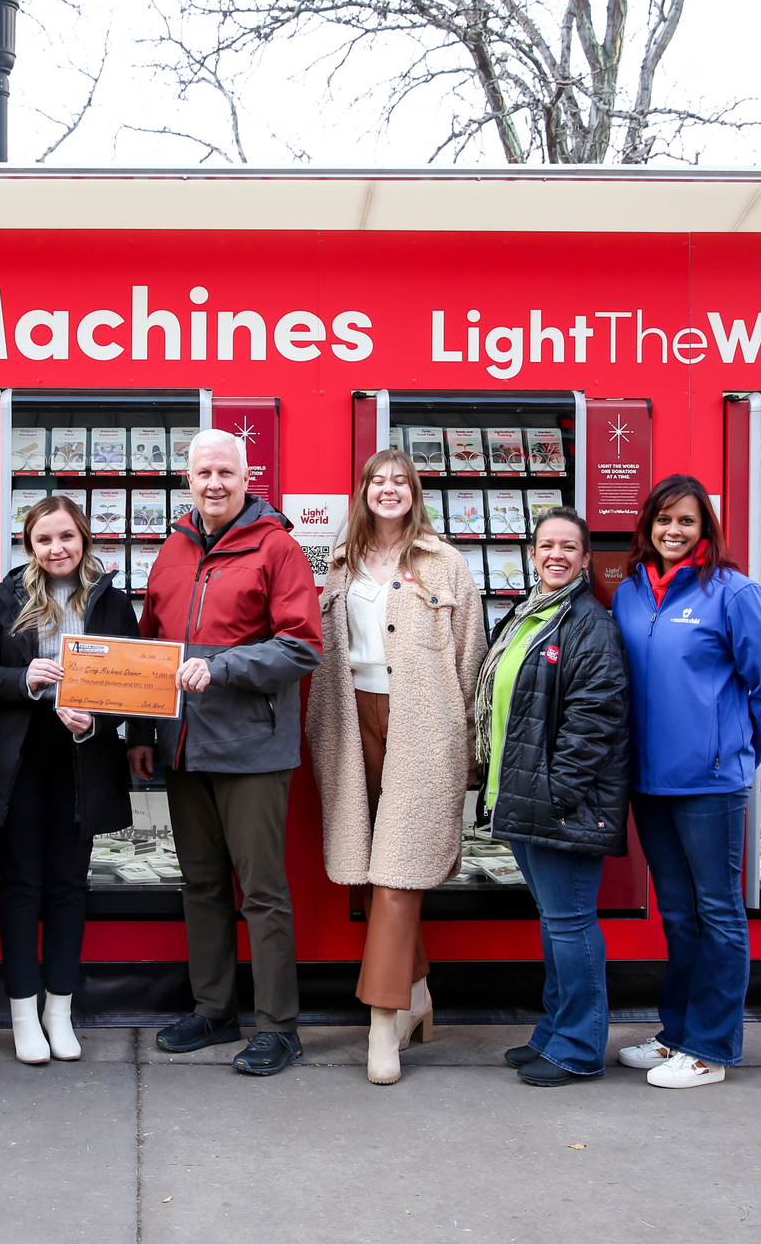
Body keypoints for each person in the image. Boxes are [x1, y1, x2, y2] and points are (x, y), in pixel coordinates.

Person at [129, 428, 322, 1076]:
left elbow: (301, 646)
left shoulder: (278, 547)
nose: (214, 483)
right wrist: (141, 735)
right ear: (187, 479)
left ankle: (279, 1027)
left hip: (252, 751)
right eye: (203, 473)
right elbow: (150, 645)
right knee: (201, 885)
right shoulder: (172, 550)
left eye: (226, 473)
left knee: (262, 892)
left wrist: (225, 667)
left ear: (246, 478)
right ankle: (214, 1010)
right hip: (184, 747)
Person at [308, 448, 485, 1085]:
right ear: (363, 492)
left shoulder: (446, 563)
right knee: (370, 861)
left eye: (399, 481)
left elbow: (470, 656)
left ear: (415, 492)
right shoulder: (338, 561)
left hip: (424, 725)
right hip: (351, 723)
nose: (388, 490)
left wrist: (464, 742)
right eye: (377, 481)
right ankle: (417, 996)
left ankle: (384, 1024)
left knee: (397, 870)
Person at [610, 475, 761, 1089]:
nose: (673, 532)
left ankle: (712, 1047)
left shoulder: (733, 594)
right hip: (649, 783)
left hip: (711, 783)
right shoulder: (630, 594)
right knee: (679, 915)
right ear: (648, 527)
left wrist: (737, 753)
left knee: (718, 913)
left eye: (686, 521)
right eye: (663, 521)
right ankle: (676, 1035)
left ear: (705, 527)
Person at [0, 495, 141, 1065]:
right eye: (44, 540)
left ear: (84, 539)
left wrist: (96, 721)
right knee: (18, 889)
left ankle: (58, 1013)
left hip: (80, 759)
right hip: (16, 761)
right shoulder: (4, 596)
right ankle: (22, 1016)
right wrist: (23, 678)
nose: (56, 549)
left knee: (68, 888)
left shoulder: (112, 601)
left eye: (66, 537)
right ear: (28, 546)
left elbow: (135, 681)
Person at [480, 508, 632, 1087]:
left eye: (569, 547)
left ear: (586, 558)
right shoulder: (530, 616)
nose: (556, 555)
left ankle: (579, 1047)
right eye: (546, 545)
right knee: (553, 921)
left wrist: (557, 793)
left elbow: (593, 720)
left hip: (559, 802)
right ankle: (553, 1032)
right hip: (526, 797)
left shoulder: (588, 623)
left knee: (570, 923)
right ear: (533, 552)